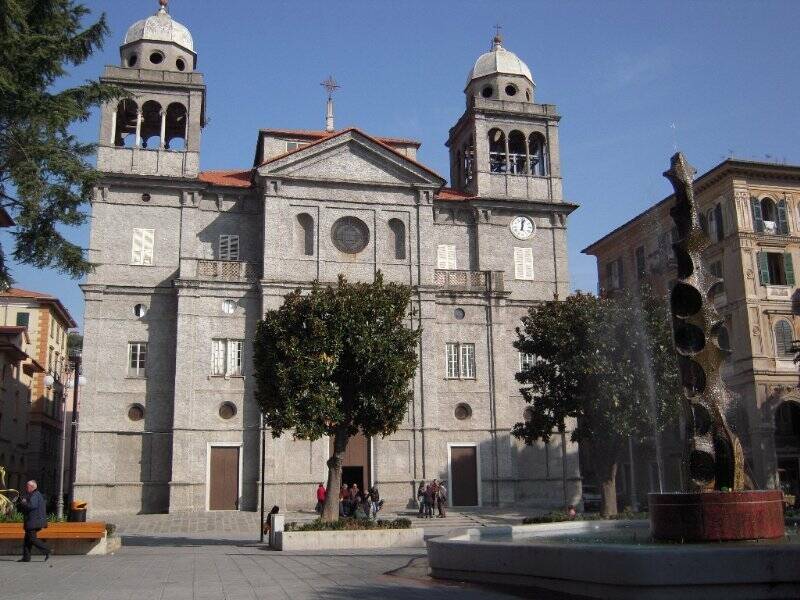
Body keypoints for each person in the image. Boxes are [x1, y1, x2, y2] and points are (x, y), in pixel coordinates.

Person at [17, 480, 50, 562]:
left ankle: (47, 550)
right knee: (27, 540)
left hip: (33, 521)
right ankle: (26, 558)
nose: (26, 488)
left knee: (32, 539)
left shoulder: (35, 495)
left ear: (32, 487)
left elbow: (32, 506)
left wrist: (24, 503)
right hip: (33, 521)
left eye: (27, 486)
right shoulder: (35, 494)